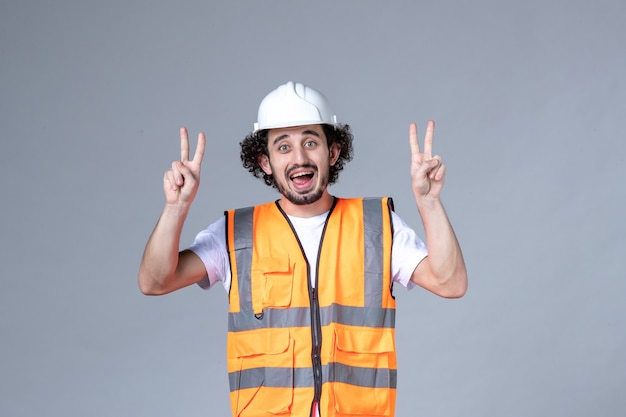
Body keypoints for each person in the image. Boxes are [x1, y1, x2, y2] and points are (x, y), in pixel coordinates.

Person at [138, 81, 467, 417]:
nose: (299, 158)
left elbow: (450, 283)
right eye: (283, 147)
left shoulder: (377, 227)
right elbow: (155, 281)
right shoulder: (237, 234)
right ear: (265, 162)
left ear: (333, 152)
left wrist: (429, 203)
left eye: (311, 142)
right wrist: (175, 208)